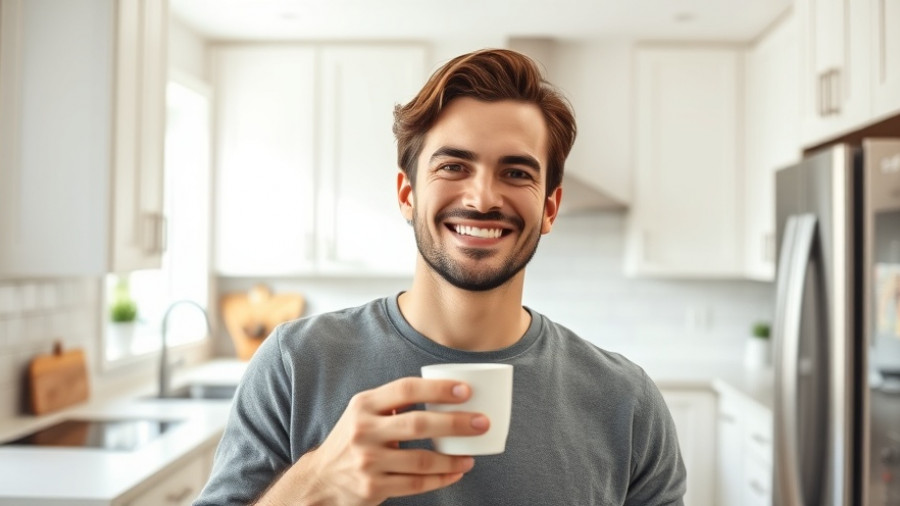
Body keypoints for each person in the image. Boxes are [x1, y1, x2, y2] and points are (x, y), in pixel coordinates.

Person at [194, 48, 686, 506]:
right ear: (407, 194)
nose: (482, 198)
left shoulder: (627, 403)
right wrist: (314, 484)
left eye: (516, 173)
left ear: (550, 207)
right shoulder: (296, 366)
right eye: (453, 165)